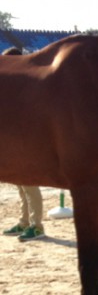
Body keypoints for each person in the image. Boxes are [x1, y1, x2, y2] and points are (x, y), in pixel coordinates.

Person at [1, 47, 46, 242]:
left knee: (29, 184)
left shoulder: (29, 84)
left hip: (29, 143)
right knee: (21, 185)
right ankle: (24, 221)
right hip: (16, 142)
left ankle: (37, 226)